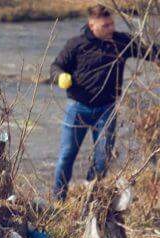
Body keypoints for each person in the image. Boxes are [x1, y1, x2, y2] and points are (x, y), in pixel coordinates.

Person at [51, 4, 159, 200]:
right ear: (92, 25)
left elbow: (149, 52)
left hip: (106, 110)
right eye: (105, 26)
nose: (111, 29)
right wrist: (60, 77)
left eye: (112, 24)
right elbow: (56, 65)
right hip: (78, 107)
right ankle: (58, 200)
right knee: (67, 156)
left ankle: (91, 199)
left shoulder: (121, 42)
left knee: (102, 159)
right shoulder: (76, 44)